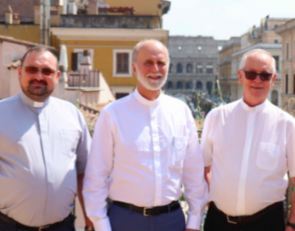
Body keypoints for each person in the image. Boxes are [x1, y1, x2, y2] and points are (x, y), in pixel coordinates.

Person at [0, 47, 93, 231]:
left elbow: (84, 174)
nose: (39, 76)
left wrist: (91, 221)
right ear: (20, 72)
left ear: (57, 76)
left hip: (62, 227)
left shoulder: (73, 115)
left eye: (47, 71)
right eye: (32, 69)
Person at [83, 39, 207, 231]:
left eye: (161, 63)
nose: (155, 69)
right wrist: (101, 225)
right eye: (148, 62)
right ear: (134, 68)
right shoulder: (113, 114)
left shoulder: (181, 112)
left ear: (168, 67)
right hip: (125, 220)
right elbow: (96, 175)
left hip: (171, 220)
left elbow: (193, 171)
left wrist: (194, 221)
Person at [201, 49, 295, 231]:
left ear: (273, 79)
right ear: (240, 76)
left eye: (265, 75)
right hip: (218, 222)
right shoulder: (216, 117)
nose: (258, 80)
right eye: (251, 74)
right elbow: (204, 168)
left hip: (266, 223)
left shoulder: (287, 124)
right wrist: (214, 201)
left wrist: (292, 225)